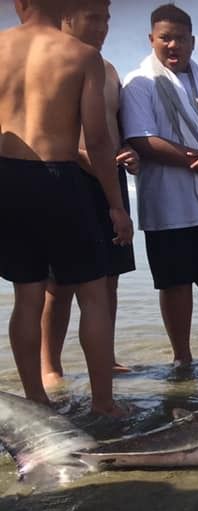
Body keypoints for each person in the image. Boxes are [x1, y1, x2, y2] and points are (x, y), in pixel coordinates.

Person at [0, 0, 133, 417]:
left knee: (28, 296)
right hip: (59, 178)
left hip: (8, 179)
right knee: (93, 294)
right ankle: (103, 403)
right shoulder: (81, 56)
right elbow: (96, 140)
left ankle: (36, 400)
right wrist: (116, 206)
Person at [121, 3, 198, 366]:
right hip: (168, 200)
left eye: (180, 39)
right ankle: (183, 359)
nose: (172, 46)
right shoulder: (139, 83)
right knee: (175, 285)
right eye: (165, 38)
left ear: (193, 42)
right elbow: (142, 140)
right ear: (151, 40)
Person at [41, 0, 140, 388]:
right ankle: (50, 365)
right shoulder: (51, 61)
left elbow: (115, 129)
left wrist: (130, 153)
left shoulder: (109, 69)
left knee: (109, 278)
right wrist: (77, 155)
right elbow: (34, 128)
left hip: (110, 179)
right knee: (59, 283)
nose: (103, 27)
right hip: (66, 179)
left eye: (108, 19)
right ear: (66, 16)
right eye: (94, 18)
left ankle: (105, 357)